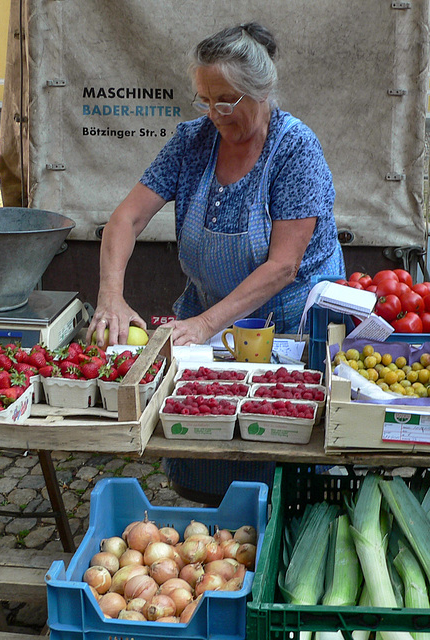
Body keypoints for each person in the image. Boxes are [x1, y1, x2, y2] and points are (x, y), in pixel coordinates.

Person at [87, 22, 345, 504]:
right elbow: (126, 219)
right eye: (204, 99)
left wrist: (206, 325)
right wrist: (111, 296)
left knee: (277, 459)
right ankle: (210, 530)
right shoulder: (192, 141)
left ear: (260, 91)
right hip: (207, 318)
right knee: (200, 444)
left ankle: (276, 537)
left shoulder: (295, 150)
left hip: (286, 323)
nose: (214, 113)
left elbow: (283, 266)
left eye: (226, 100)